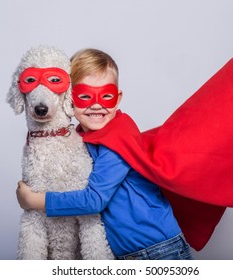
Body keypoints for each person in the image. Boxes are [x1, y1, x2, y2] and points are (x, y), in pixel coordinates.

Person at [16, 48, 194, 260]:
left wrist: (35, 201)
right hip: (129, 254)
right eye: (84, 96)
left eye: (106, 96)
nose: (96, 105)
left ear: (118, 98)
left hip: (158, 251)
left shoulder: (117, 139)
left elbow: (94, 200)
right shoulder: (81, 138)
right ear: (69, 97)